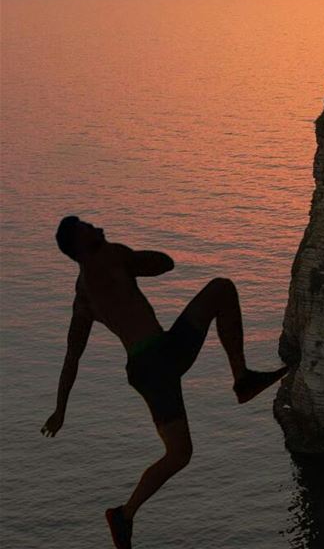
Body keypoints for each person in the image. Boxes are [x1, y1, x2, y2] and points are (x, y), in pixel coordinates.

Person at [40, 215, 288, 549]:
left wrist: (60, 410)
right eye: (84, 225)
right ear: (78, 243)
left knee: (180, 453)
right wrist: (134, 258)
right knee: (222, 289)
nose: (93, 224)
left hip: (145, 369)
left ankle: (124, 515)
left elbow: (72, 358)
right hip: (161, 357)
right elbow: (165, 264)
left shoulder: (83, 296)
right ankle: (241, 378)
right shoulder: (112, 256)